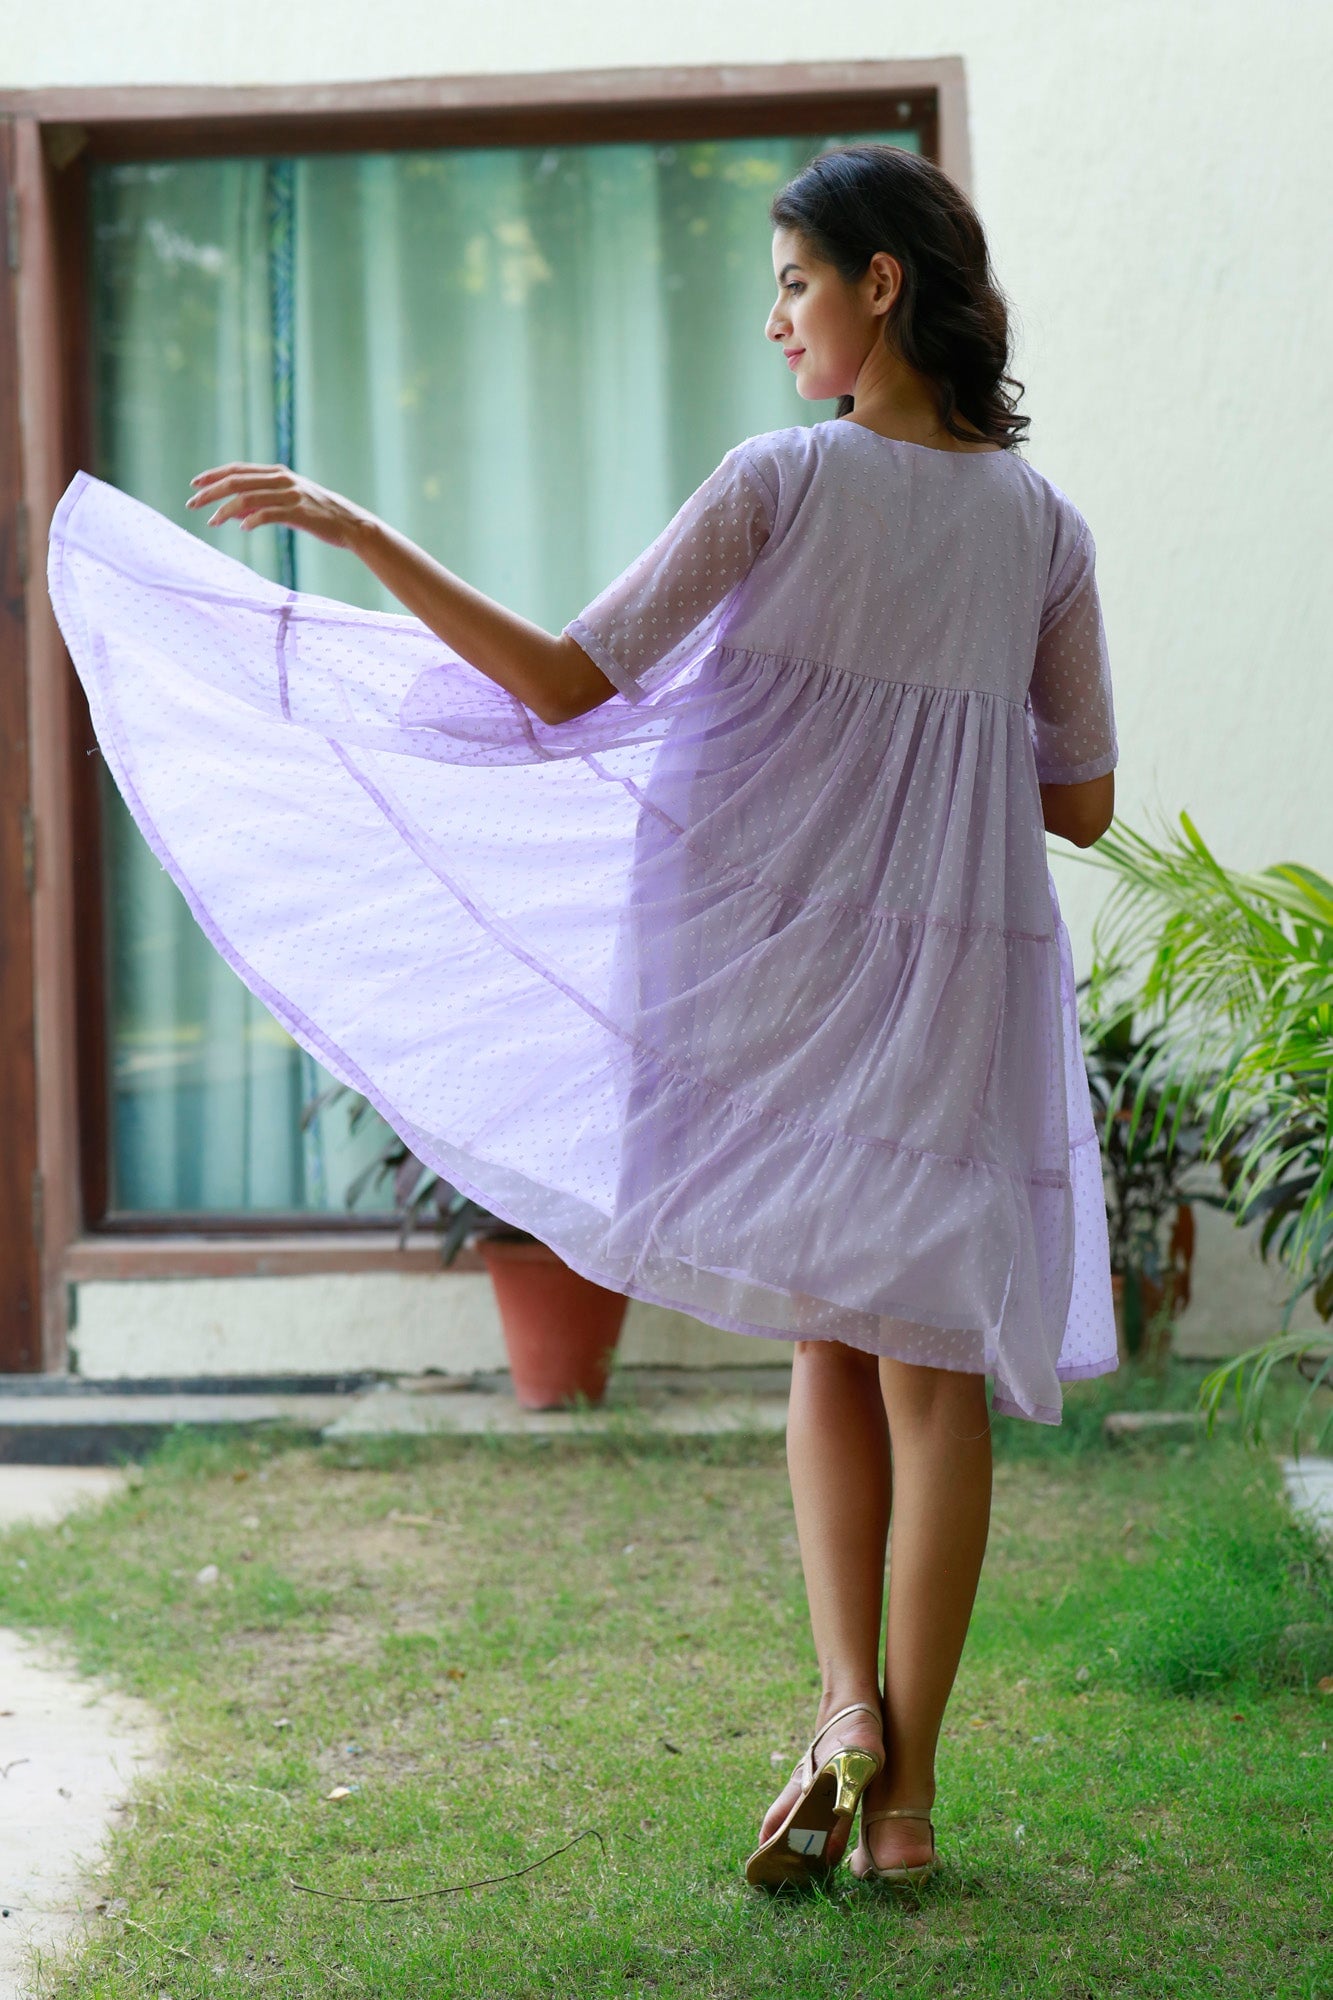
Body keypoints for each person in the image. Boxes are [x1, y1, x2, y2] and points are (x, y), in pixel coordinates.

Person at [48, 143, 1119, 1892]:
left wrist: (363, 534)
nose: (774, 320)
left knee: (823, 1343)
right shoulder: (1044, 527)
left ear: (880, 284)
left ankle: (842, 1705)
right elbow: (1077, 804)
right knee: (933, 1382)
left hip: (761, 959)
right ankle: (905, 1813)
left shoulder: (778, 482)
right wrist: (936, 722)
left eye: (792, 281)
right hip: (948, 982)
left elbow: (562, 682)